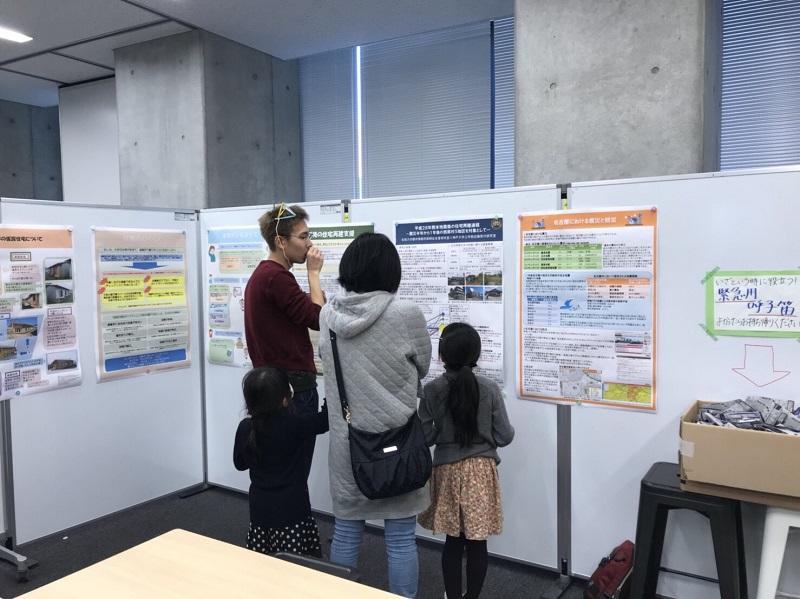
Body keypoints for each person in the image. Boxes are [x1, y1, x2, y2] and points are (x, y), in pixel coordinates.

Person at [317, 232, 432, 598]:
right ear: (390, 272)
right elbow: (424, 366)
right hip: (399, 445)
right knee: (400, 541)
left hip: (349, 447)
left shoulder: (328, 316)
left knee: (347, 532)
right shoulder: (407, 314)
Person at [417, 323, 515, 599]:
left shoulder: (432, 390)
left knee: (453, 541)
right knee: (476, 541)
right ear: (477, 354)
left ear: (442, 356)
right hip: (481, 472)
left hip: (447, 470)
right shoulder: (490, 388)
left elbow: (425, 436)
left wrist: (443, 432)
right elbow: (505, 436)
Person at [244, 203, 324, 478]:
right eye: (302, 237)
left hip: (274, 389)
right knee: (294, 472)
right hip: (292, 391)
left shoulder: (264, 275)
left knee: (278, 471)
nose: (309, 243)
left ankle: (278, 521)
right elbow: (318, 318)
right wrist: (313, 273)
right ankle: (293, 522)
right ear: (280, 241)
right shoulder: (276, 278)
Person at [233, 366, 329, 556]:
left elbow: (240, 464)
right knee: (295, 563)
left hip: (260, 508)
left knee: (263, 561)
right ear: (285, 398)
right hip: (293, 507)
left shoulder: (246, 427)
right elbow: (325, 421)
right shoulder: (295, 424)